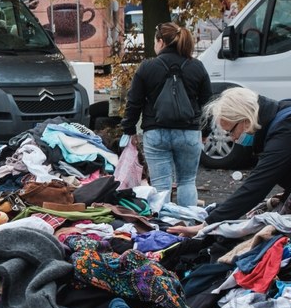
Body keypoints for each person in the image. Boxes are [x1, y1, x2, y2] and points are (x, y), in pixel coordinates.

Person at [168, 88, 291, 237]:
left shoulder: (285, 130)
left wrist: (207, 224)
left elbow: (257, 186)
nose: (232, 138)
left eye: (231, 131)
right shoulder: (280, 115)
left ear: (245, 119)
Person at [120, 22, 212, 207]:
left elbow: (134, 102)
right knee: (187, 181)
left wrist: (129, 130)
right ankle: (189, 223)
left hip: (156, 132)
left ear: (161, 42)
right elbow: (208, 103)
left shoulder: (147, 67)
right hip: (189, 132)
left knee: (162, 185)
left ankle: (164, 228)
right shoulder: (197, 66)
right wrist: (205, 132)